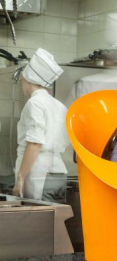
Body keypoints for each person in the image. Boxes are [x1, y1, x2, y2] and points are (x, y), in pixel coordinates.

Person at [12, 48, 70, 203]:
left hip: (40, 175)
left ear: (28, 79)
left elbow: (35, 143)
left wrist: (20, 177)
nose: (22, 83)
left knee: (39, 222)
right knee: (55, 222)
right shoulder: (58, 105)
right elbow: (65, 145)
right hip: (59, 173)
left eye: (22, 80)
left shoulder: (34, 103)